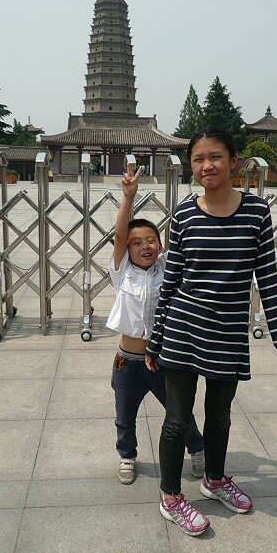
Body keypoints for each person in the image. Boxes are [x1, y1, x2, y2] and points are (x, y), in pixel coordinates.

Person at [145, 127, 277, 536]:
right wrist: (156, 339)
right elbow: (171, 284)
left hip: (227, 334)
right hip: (184, 331)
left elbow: (268, 280)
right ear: (192, 165)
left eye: (216, 156)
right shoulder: (184, 215)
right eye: (199, 158)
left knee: (219, 416)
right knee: (177, 420)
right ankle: (171, 497)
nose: (207, 165)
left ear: (233, 161)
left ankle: (214, 480)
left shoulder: (257, 212)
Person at [106, 163, 204, 485]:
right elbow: (120, 234)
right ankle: (127, 456)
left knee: (179, 413)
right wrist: (127, 197)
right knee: (125, 416)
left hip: (164, 360)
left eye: (151, 240)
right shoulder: (122, 272)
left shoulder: (167, 269)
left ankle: (198, 449)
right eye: (137, 242)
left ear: (160, 247)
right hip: (127, 362)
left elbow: (186, 244)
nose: (145, 246)